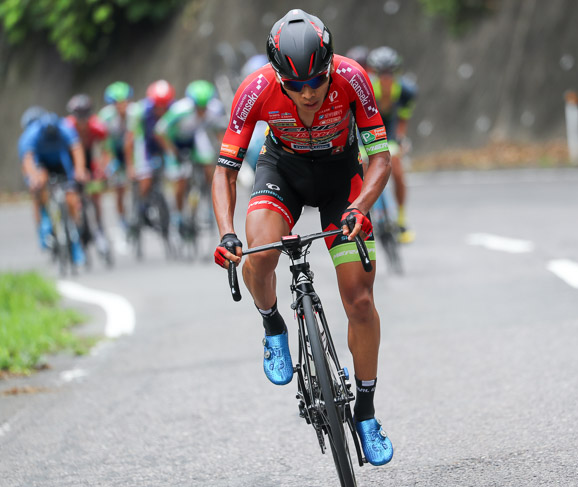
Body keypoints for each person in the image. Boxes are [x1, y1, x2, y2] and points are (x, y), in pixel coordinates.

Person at [212, 9, 394, 466]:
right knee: (261, 253)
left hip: (340, 181)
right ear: (277, 76)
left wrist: (359, 207)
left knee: (360, 301)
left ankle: (367, 414)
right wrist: (227, 233)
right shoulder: (254, 89)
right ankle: (273, 323)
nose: (308, 92)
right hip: (283, 173)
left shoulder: (353, 79)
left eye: (316, 80)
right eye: (295, 85)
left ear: (330, 64)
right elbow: (225, 172)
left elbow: (381, 159)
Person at [155, 79, 227, 232]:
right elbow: (159, 131)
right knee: (180, 180)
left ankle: (207, 200)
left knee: (209, 168)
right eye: (198, 107)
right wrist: (172, 151)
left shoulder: (215, 109)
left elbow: (219, 130)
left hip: (195, 138)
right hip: (175, 142)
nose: (202, 111)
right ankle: (178, 215)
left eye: (204, 107)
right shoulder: (180, 110)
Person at [18, 108, 88, 264]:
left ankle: (76, 240)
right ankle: (44, 224)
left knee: (71, 197)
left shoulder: (64, 128)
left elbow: (76, 149)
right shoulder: (31, 135)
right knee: (39, 185)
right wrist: (34, 178)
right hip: (41, 164)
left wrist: (80, 170)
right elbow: (28, 160)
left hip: (60, 163)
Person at [367, 46, 418, 243]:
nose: (386, 78)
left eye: (391, 73)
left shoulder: (406, 91)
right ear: (375, 73)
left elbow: (402, 120)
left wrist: (400, 139)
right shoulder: (367, 88)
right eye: (382, 73)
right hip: (367, 129)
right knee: (364, 167)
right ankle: (368, 215)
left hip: (389, 131)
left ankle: (401, 220)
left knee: (397, 170)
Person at [125, 79, 176, 232]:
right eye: (157, 106)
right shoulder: (140, 111)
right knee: (145, 179)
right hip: (145, 145)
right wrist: (131, 166)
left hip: (164, 143)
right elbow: (130, 140)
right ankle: (141, 208)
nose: (160, 110)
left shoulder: (174, 109)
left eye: (164, 106)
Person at [66, 93, 110, 254]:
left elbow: (106, 149)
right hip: (71, 161)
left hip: (89, 158)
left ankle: (99, 228)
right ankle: (74, 226)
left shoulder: (97, 127)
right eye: (79, 117)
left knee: (95, 193)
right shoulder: (67, 127)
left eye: (85, 117)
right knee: (72, 196)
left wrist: (102, 168)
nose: (82, 122)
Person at [99, 81, 134, 233]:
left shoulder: (134, 113)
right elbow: (104, 144)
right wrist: (108, 162)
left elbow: (134, 140)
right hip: (114, 150)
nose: (122, 106)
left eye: (124, 102)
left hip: (131, 149)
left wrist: (132, 164)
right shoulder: (105, 117)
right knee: (119, 188)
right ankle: (122, 218)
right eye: (118, 103)